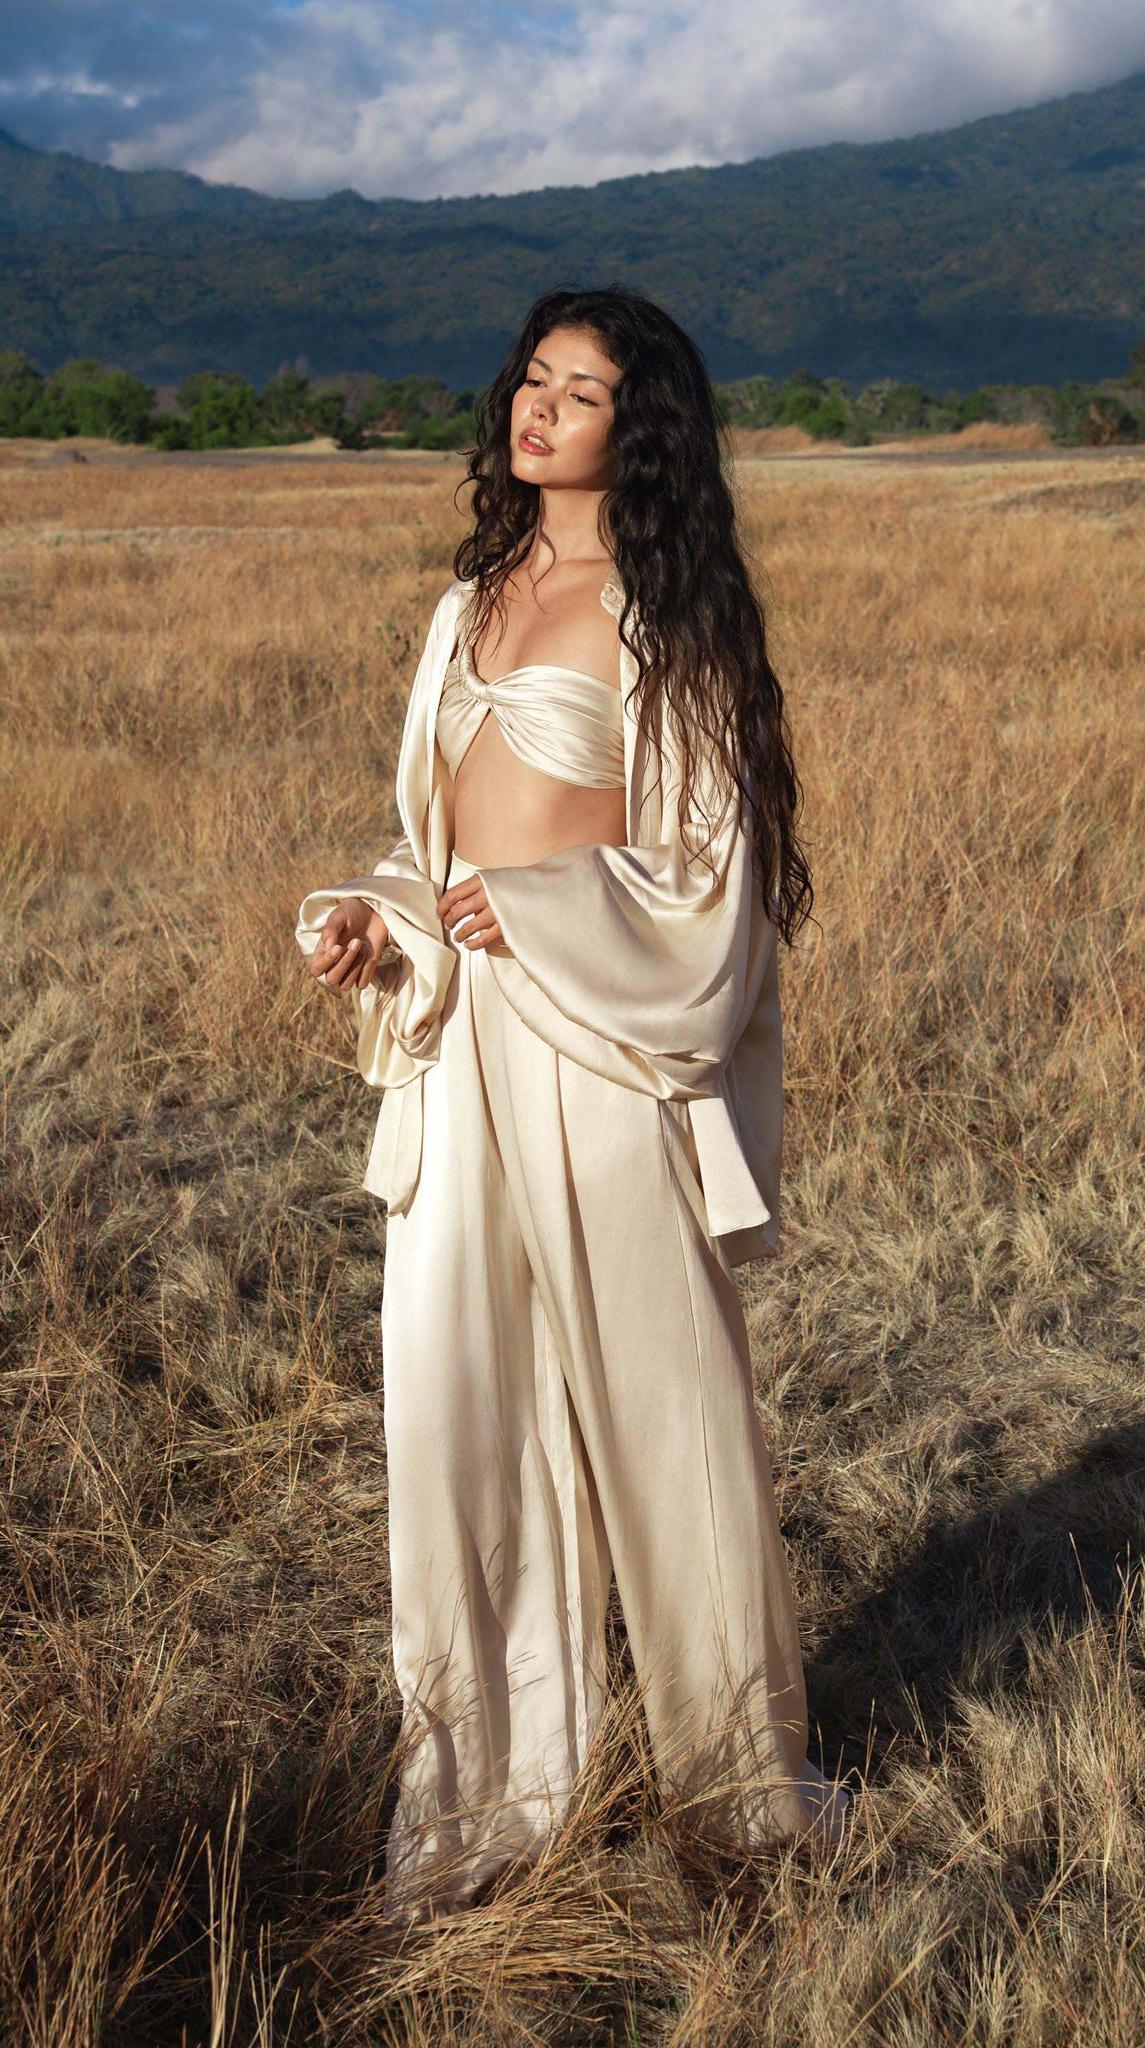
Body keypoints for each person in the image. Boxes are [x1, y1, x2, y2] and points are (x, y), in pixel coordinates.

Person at [296, 284, 851, 1925]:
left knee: (662, 1409)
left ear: (642, 425)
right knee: (454, 1400)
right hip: (468, 1051)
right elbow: (440, 844)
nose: (539, 408)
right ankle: (486, 1791)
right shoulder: (470, 596)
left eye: (583, 390)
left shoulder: (661, 612)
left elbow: (710, 884)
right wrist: (376, 919)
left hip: (599, 1046)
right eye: (532, 379)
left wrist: (540, 912)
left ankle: (739, 1797)